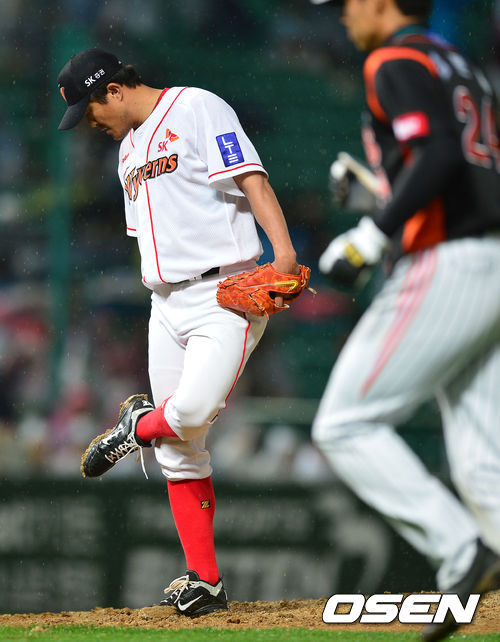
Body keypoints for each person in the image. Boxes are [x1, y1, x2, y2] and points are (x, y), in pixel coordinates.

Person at [57, 48, 303, 616]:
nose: (89, 123)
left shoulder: (196, 107)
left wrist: (284, 253)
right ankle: (206, 581)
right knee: (180, 450)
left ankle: (135, 426)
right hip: (164, 304)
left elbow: (251, 177)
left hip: (223, 292)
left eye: (90, 110)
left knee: (188, 414)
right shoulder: (125, 152)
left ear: (114, 90)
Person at [310, 1, 500, 640]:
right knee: (481, 458)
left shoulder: (393, 58)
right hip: (490, 255)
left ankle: (461, 550)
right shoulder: (458, 63)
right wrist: (385, 193)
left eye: (347, 4)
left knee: (344, 424)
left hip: (451, 261)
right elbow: (462, 165)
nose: (343, 16)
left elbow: (440, 154)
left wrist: (374, 230)